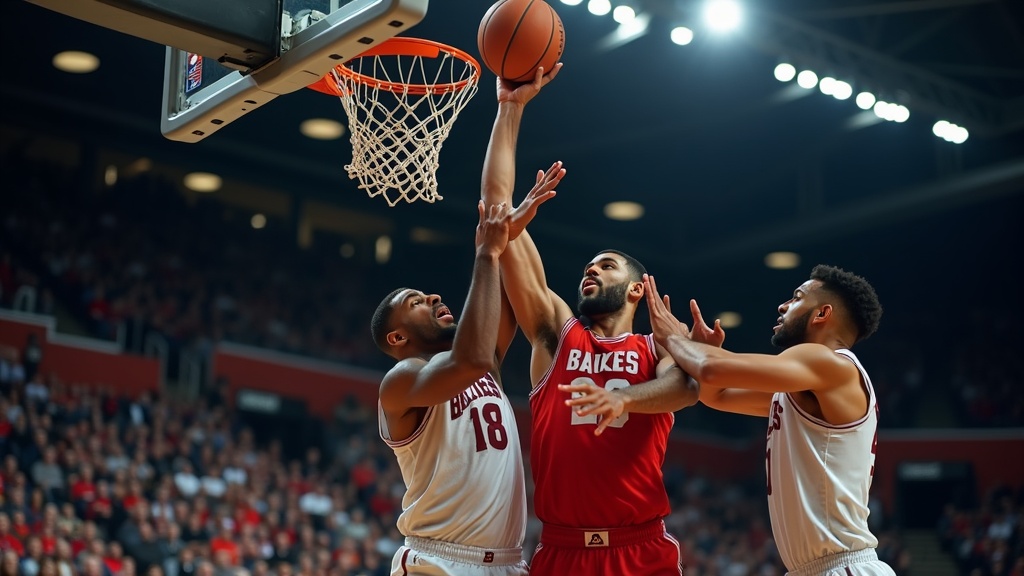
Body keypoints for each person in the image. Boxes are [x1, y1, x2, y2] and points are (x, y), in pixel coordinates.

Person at [488, 66, 699, 574]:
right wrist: (510, 110)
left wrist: (624, 397)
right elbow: (496, 211)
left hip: (640, 550)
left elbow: (685, 388)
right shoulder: (558, 333)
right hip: (561, 550)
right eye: (588, 265)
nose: (591, 269)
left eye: (606, 265)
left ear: (636, 288)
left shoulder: (658, 346)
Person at [368, 72, 563, 574]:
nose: (433, 295)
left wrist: (509, 108)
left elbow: (495, 207)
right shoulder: (403, 382)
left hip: (507, 563)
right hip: (439, 560)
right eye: (416, 302)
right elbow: (471, 360)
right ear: (397, 336)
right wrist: (487, 252)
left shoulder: (482, 358)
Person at [636, 266, 895, 576]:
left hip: (843, 566)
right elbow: (716, 395)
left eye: (797, 297)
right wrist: (703, 351)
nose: (783, 306)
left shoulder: (828, 363)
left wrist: (674, 338)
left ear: (822, 313)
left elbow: (710, 369)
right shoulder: (806, 388)